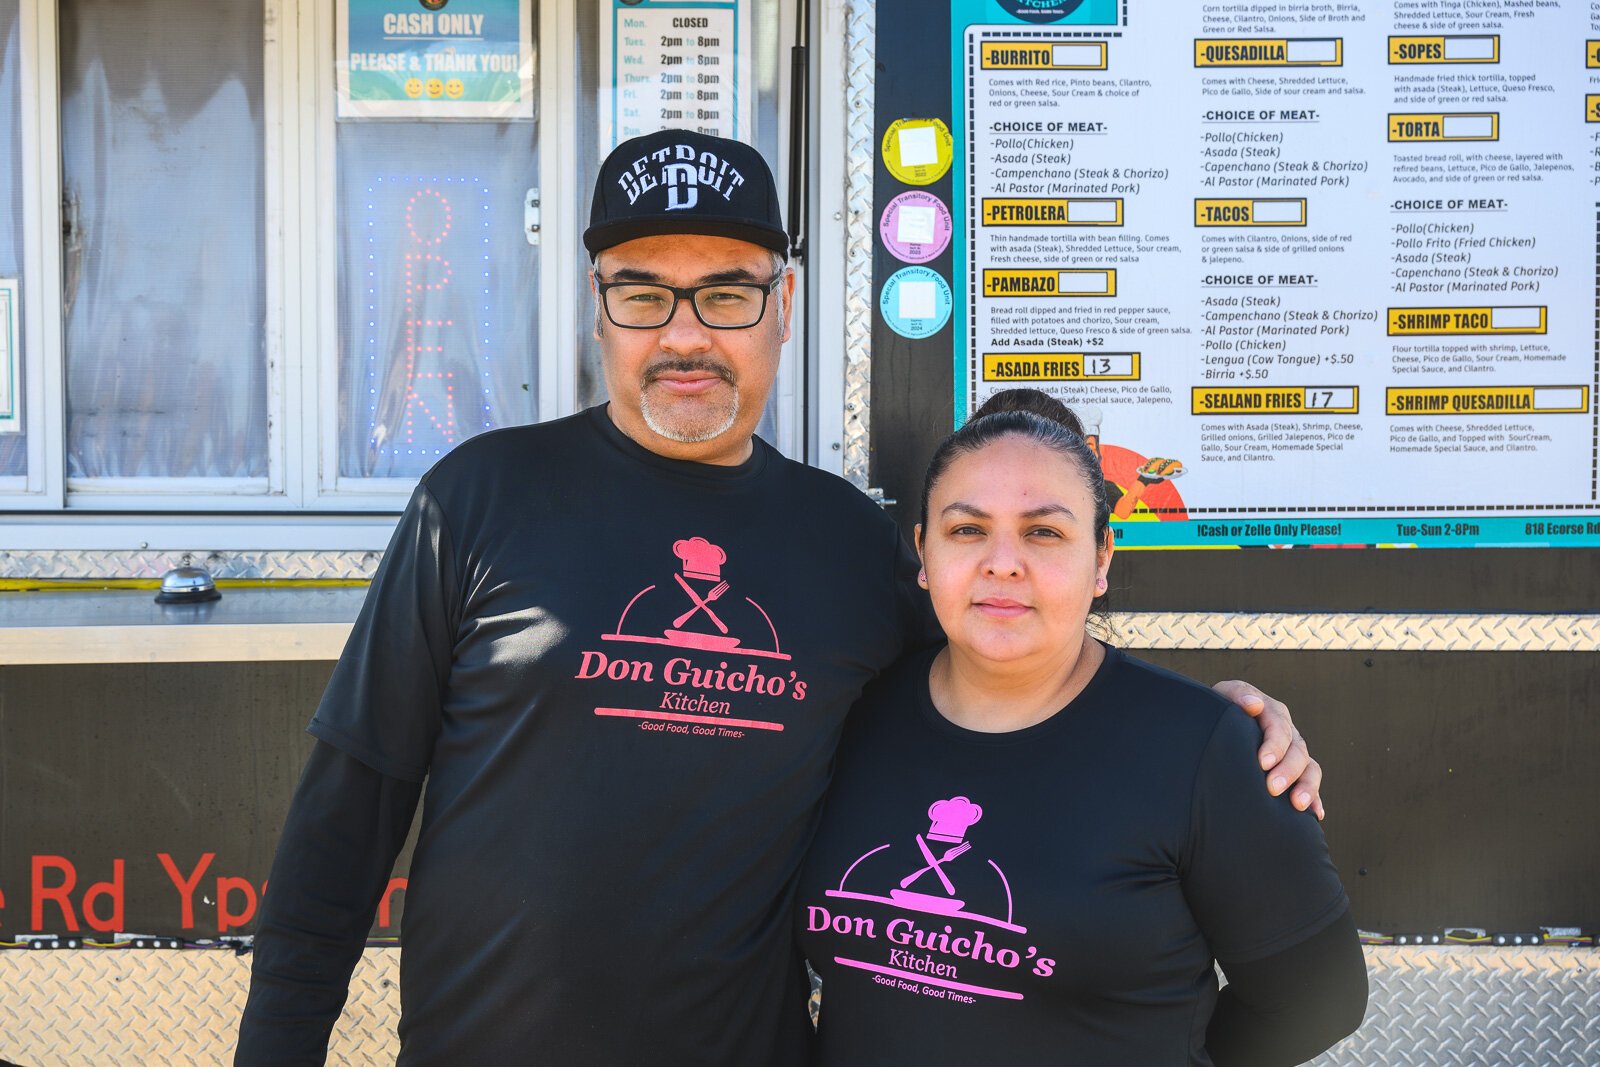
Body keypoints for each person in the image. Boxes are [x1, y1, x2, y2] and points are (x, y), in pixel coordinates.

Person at [236, 131, 1325, 1064]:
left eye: (726, 291)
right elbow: (348, 810)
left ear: (783, 303)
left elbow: (1003, 686)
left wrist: (1210, 733)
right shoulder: (476, 496)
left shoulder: (850, 543)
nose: (684, 333)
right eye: (641, 291)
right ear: (598, 306)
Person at [796, 390, 1367, 1065]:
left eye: (1044, 531)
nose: (1002, 562)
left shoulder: (1202, 751)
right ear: (923, 552)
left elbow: (1319, 996)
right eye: (967, 528)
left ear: (1101, 557)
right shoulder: (846, 716)